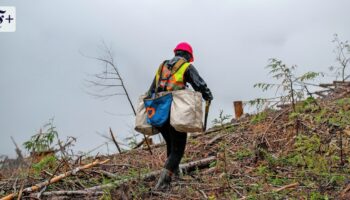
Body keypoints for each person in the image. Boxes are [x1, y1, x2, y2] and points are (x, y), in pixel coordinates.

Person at [147, 42, 213, 190]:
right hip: (176, 111)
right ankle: (162, 185)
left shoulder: (162, 66)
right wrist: (208, 96)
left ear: (176, 52)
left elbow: (151, 90)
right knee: (178, 150)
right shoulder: (185, 66)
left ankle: (175, 175)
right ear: (188, 56)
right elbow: (200, 85)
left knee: (171, 145)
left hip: (159, 111)